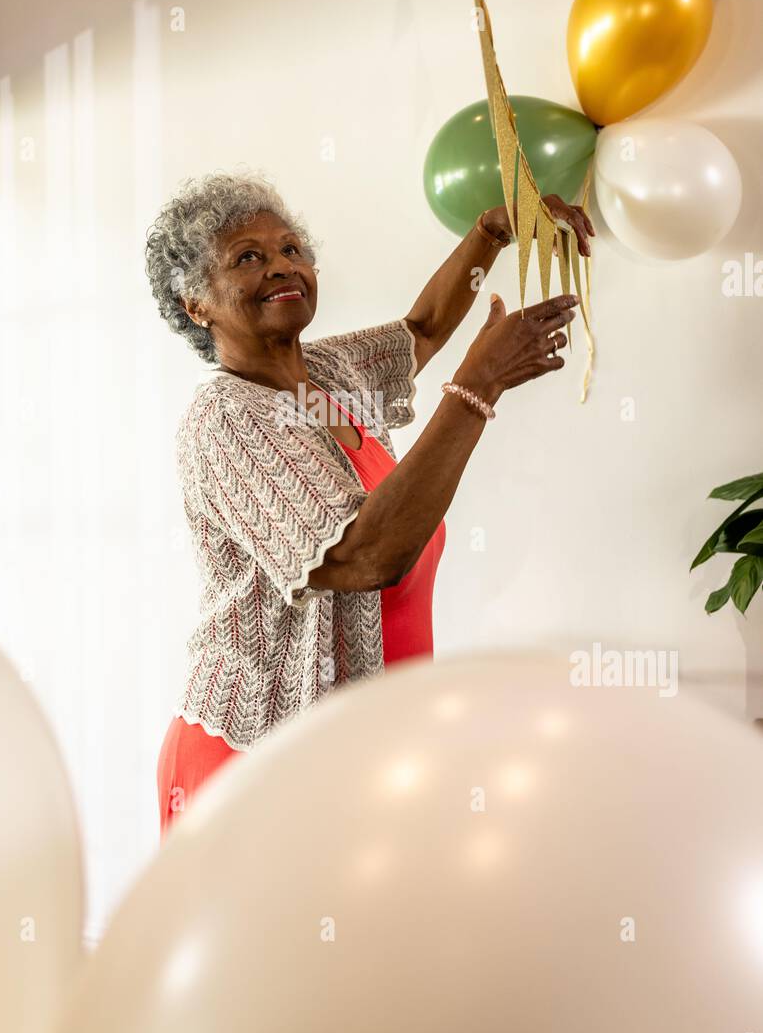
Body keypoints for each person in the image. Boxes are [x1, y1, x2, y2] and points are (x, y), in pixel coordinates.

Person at [144, 172, 592, 837]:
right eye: (248, 258)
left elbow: (421, 327)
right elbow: (365, 555)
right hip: (256, 758)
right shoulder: (225, 422)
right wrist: (478, 384)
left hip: (360, 746)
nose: (282, 267)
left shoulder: (328, 374)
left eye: (292, 249)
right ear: (195, 305)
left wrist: (489, 233)